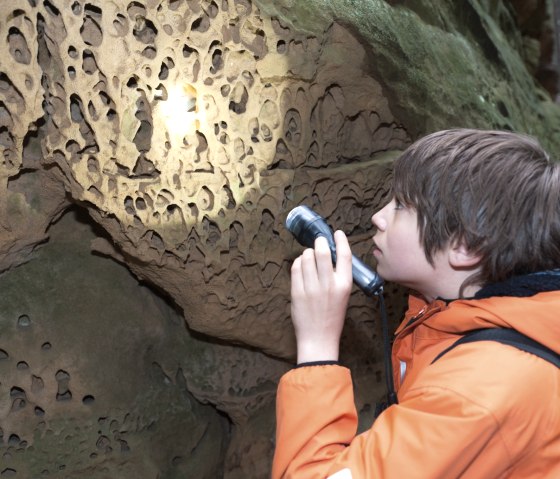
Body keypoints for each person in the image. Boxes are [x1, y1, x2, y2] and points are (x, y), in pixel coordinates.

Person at [272, 129, 560, 478]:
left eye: (401, 206)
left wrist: (317, 345)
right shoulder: (459, 314)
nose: (379, 216)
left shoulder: (474, 394)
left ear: (465, 246)